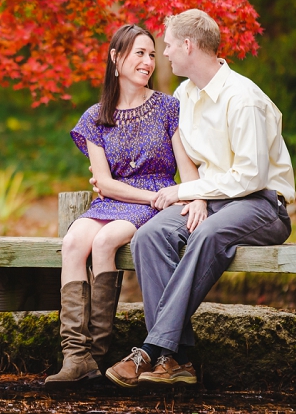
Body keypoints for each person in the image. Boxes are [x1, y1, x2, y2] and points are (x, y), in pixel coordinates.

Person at [104, 9, 295, 388]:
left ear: (189, 45)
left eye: (170, 45)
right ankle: (177, 361)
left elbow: (250, 176)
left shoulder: (243, 99)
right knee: (150, 235)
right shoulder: (184, 94)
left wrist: (189, 192)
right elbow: (185, 158)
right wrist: (197, 197)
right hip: (213, 199)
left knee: (208, 236)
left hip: (262, 205)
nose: (167, 53)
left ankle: (152, 349)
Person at [45, 24, 202, 388]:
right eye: (139, 54)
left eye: (151, 54)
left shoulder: (168, 107)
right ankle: (75, 357)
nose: (148, 62)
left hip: (158, 195)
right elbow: (103, 181)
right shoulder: (95, 116)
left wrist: (191, 195)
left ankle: (97, 355)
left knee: (103, 243)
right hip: (123, 198)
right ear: (116, 58)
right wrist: (149, 197)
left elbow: (186, 167)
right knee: (72, 243)